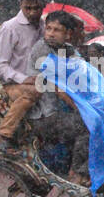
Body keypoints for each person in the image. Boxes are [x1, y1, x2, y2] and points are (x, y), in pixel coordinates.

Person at [27, 10, 92, 186]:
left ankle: (79, 172)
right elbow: (59, 88)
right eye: (49, 28)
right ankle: (77, 173)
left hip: (58, 114)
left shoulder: (67, 50)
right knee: (87, 127)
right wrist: (79, 106)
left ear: (67, 34)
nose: (51, 33)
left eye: (57, 30)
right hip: (43, 115)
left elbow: (82, 73)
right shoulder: (42, 49)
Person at [0, 0, 46, 149]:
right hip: (12, 87)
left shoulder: (45, 27)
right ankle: (2, 134)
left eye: (37, 8)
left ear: (43, 5)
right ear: (21, 3)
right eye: (28, 8)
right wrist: (24, 79)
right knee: (34, 91)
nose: (32, 12)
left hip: (39, 85)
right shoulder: (10, 28)